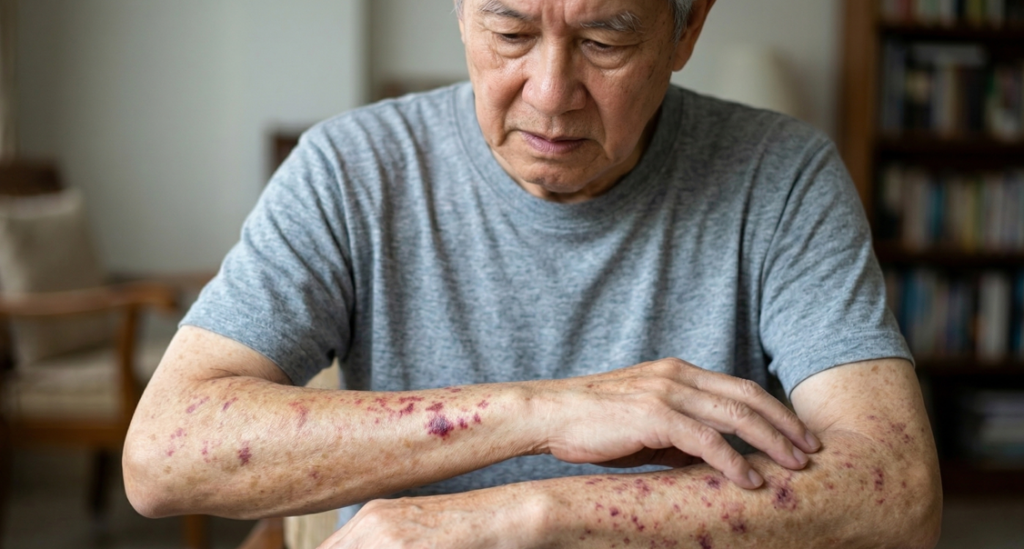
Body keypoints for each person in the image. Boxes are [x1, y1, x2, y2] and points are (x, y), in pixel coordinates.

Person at [123, 0, 943, 547]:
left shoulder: (782, 175)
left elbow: (897, 486)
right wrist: (541, 412)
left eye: (604, 41)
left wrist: (530, 514)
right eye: (510, 34)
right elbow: (163, 455)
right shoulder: (351, 168)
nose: (551, 96)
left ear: (686, 29)